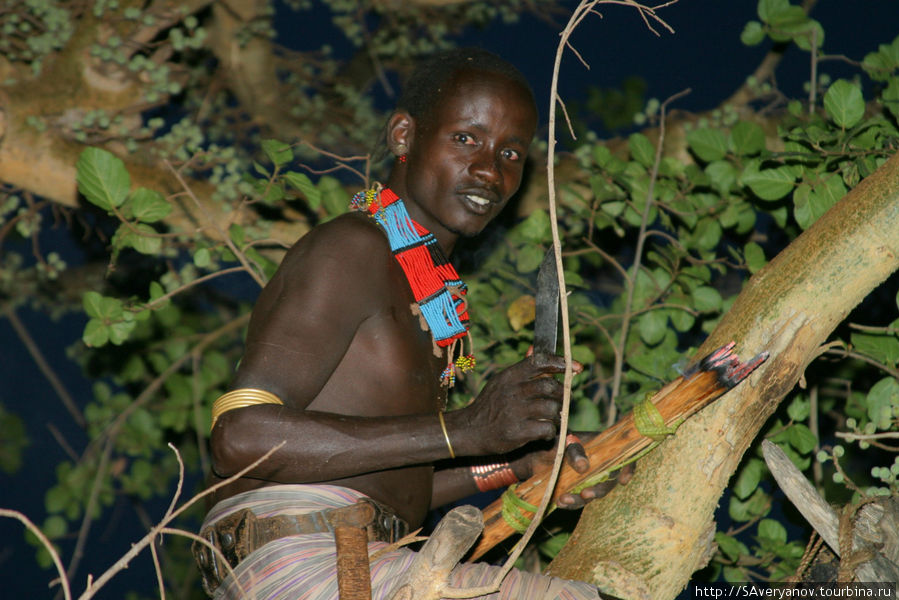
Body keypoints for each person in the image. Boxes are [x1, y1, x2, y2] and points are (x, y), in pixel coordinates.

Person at [193, 48, 618, 600]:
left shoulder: (429, 289)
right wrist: (467, 428)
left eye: (510, 153)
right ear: (403, 136)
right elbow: (239, 436)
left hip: (364, 559)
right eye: (466, 138)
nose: (490, 170)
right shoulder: (352, 248)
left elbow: (394, 479)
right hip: (300, 558)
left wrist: (517, 466)